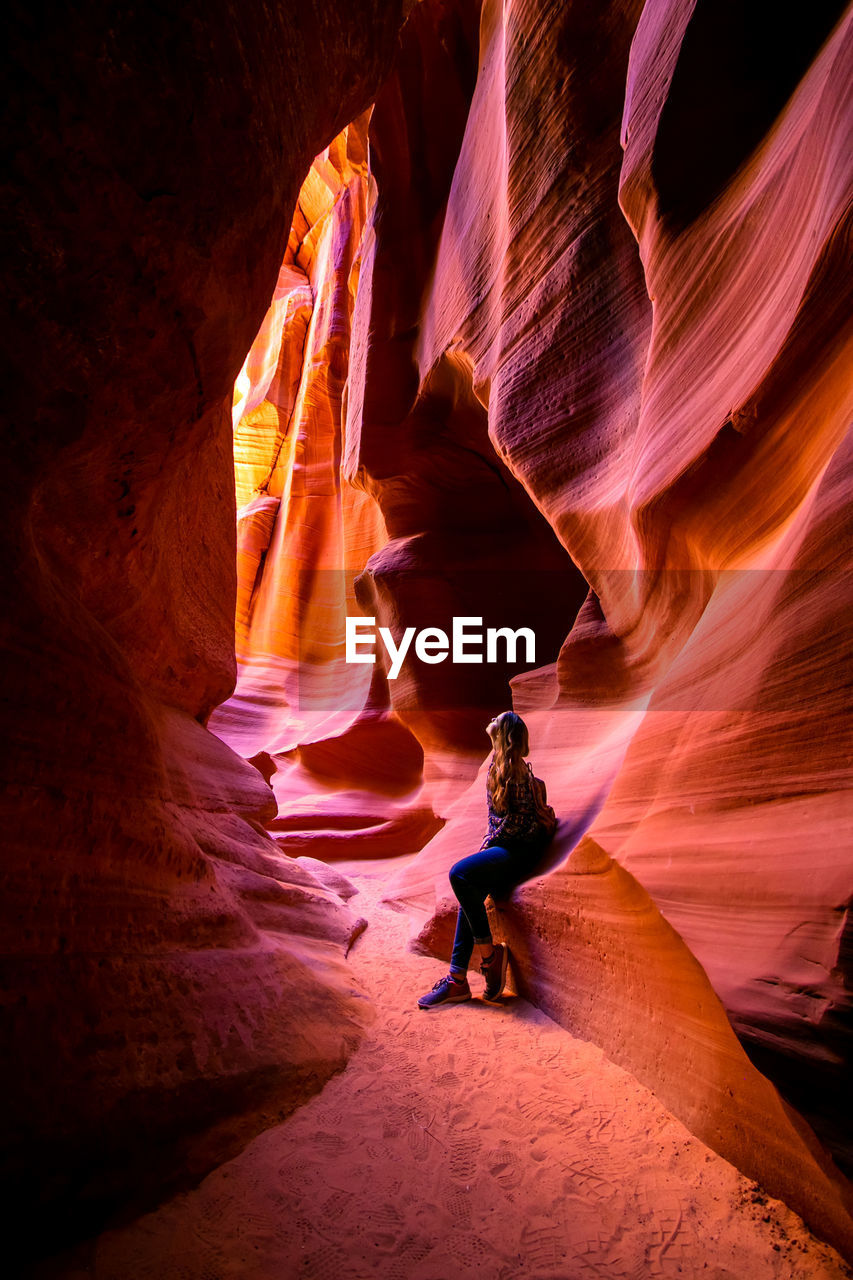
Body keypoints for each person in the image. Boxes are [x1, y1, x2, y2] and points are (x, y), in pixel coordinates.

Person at [418, 710, 554, 1010]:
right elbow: (497, 823)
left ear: (503, 735)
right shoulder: (497, 769)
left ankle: (490, 958)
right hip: (505, 849)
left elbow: (519, 826)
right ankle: (457, 980)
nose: (491, 720)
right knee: (472, 890)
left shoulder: (520, 774)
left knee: (459, 874)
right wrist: (488, 847)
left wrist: (490, 846)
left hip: (519, 852)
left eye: (497, 720)